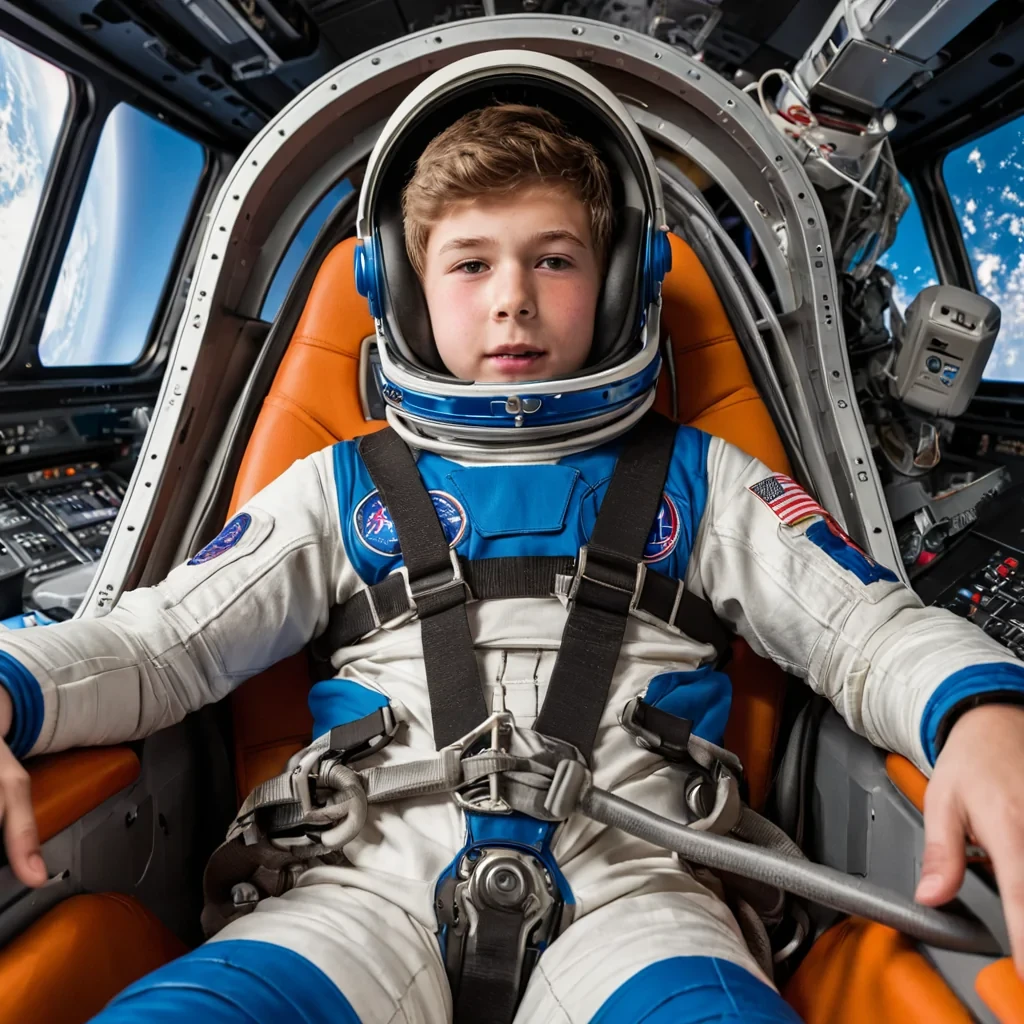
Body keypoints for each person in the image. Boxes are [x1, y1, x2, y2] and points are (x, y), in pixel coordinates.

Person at [1, 50, 1023, 1024]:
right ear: (397, 290)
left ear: (623, 279)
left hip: (641, 892)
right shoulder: (338, 487)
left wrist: (977, 711)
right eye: (469, 263)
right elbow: (156, 644)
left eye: (554, 258)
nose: (512, 299)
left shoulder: (701, 478)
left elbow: (868, 630)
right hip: (356, 888)